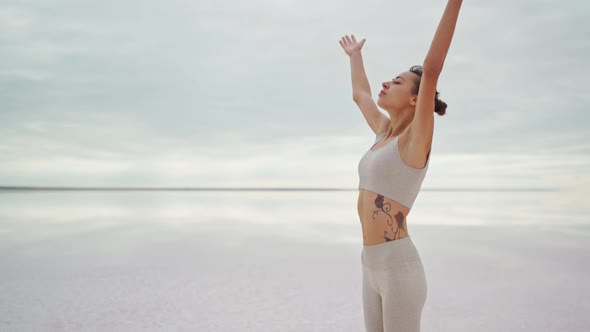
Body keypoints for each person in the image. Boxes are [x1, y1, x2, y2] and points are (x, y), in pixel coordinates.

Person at [339, 1, 463, 331]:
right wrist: (355, 57)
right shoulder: (383, 134)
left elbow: (432, 67)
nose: (386, 84)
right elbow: (360, 93)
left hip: (399, 269)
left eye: (396, 81)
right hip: (370, 264)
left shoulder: (414, 141)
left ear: (414, 99)